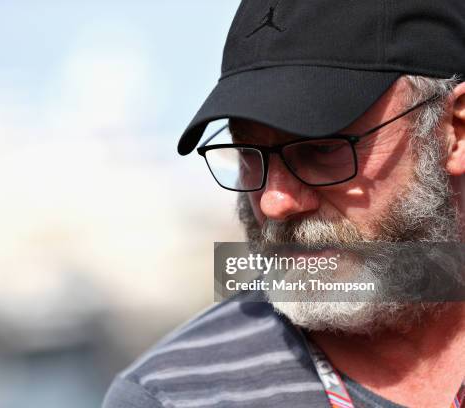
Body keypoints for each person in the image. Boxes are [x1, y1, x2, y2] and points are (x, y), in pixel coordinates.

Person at [103, 1, 465, 407]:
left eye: (323, 148)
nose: (274, 202)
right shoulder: (172, 397)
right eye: (248, 152)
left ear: (455, 130)